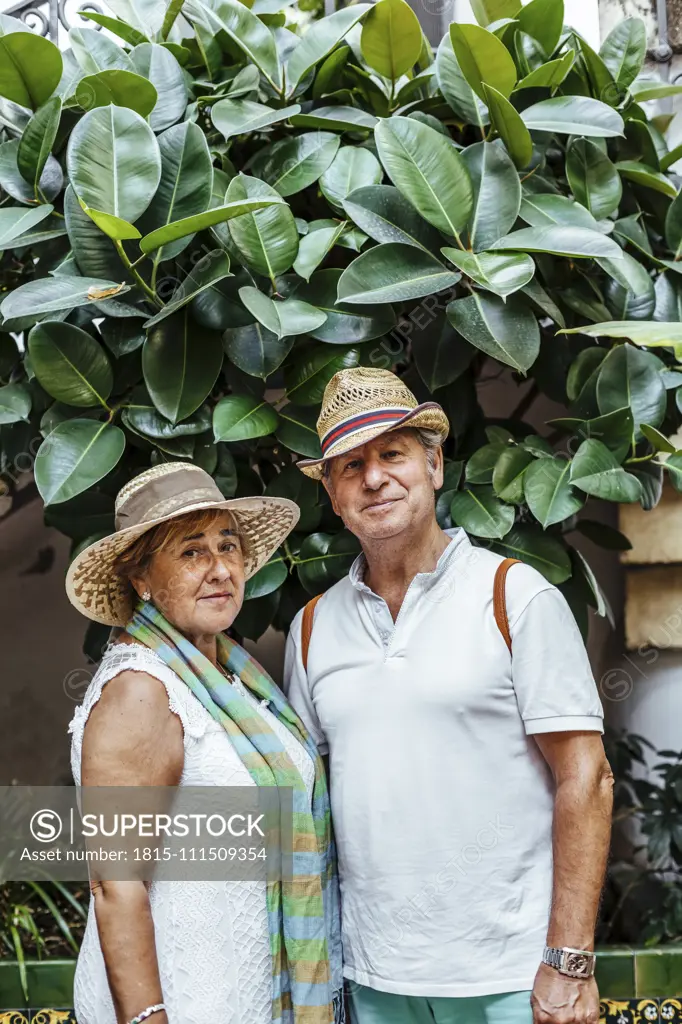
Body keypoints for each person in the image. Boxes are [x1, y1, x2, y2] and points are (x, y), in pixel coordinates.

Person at [284, 367, 613, 1024]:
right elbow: (304, 805)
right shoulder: (311, 628)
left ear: (434, 465)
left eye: (392, 454)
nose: (374, 477)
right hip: (373, 976)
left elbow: (588, 777)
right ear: (333, 493)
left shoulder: (513, 597)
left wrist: (570, 960)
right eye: (350, 465)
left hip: (513, 976)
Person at [66, 462, 343, 1024]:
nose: (220, 569)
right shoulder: (142, 691)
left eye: (228, 546)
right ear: (141, 578)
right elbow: (116, 887)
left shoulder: (235, 681)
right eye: (192, 552)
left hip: (245, 996)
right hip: (184, 1001)